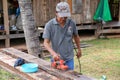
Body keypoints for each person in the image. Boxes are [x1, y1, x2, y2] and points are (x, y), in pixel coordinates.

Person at [42, 2, 82, 70]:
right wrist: (53, 53)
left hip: (69, 58)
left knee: (70, 76)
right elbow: (46, 43)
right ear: (56, 13)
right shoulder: (49, 25)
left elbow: (76, 36)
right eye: (62, 16)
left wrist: (79, 49)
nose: (63, 18)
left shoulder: (71, 23)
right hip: (56, 60)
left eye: (65, 16)